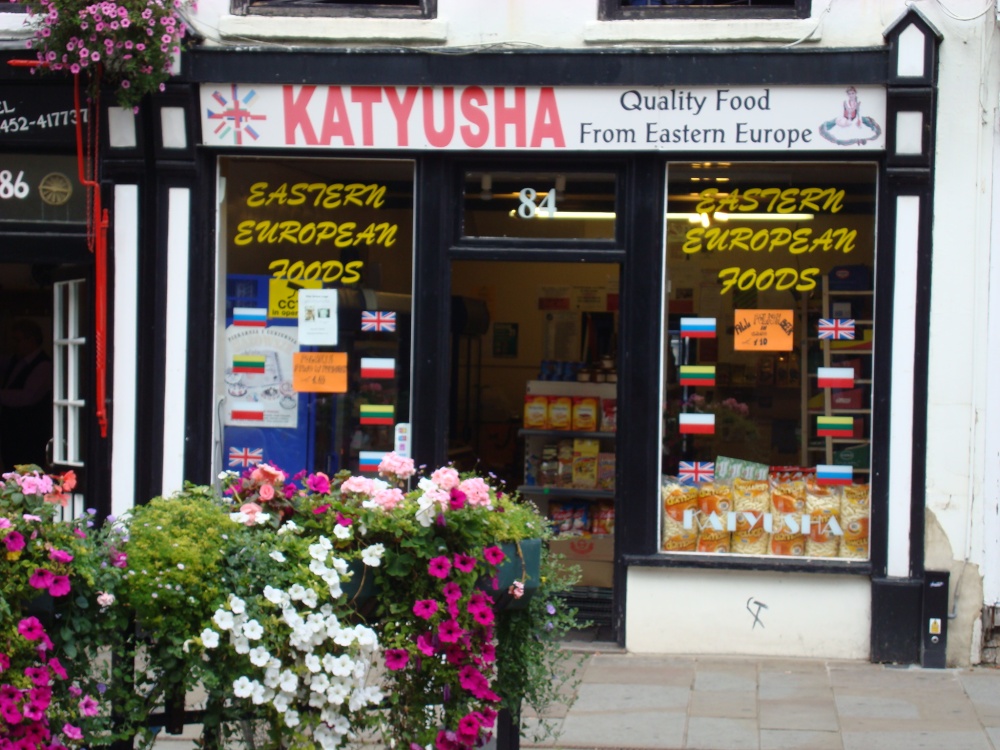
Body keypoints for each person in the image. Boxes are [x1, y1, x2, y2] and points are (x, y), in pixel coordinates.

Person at [0, 319, 53, 469]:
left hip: (29, 434)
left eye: (18, 340)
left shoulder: (43, 365)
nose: (14, 344)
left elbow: (27, 397)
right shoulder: (16, 360)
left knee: (27, 473)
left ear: (32, 340)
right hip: (12, 432)